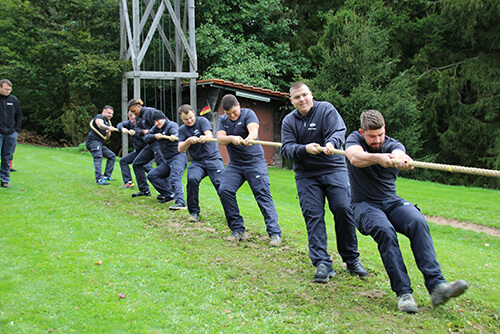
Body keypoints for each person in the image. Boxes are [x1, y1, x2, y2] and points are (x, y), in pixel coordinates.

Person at [345, 109, 468, 313]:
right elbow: (355, 158)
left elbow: (399, 153)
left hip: (392, 202)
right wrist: (379, 158)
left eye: (380, 135)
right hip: (364, 204)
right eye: (372, 136)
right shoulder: (354, 140)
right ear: (362, 132)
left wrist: (400, 159)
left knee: (418, 222)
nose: (377, 140)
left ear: (385, 131)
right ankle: (404, 293)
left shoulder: (393, 144)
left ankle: (437, 286)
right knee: (385, 231)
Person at [280, 82, 367, 283]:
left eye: (304, 95)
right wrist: (304, 149)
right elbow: (286, 149)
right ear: (291, 100)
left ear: (311, 94)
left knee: (343, 209)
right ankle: (322, 262)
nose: (301, 100)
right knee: (313, 214)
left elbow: (338, 131)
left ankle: (351, 259)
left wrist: (331, 143)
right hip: (306, 174)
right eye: (296, 97)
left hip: (333, 169)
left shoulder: (326, 110)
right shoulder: (288, 122)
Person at [216, 94, 282, 247]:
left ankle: (274, 233)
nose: (232, 116)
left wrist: (249, 138)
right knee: (225, 189)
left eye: (234, 112)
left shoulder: (248, 114)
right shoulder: (223, 120)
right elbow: (220, 138)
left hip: (254, 163)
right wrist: (232, 138)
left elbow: (254, 131)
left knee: (262, 194)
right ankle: (238, 229)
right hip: (236, 165)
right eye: (228, 114)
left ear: (238, 105)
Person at [178, 104, 224, 222]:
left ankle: (231, 214)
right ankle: (194, 212)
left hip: (213, 159)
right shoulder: (182, 130)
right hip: (197, 162)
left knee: (222, 186)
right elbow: (180, 149)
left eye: (190, 118)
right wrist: (188, 141)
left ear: (193, 113)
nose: (189, 121)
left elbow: (208, 134)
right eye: (185, 120)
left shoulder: (202, 121)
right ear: (181, 119)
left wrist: (204, 137)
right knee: (192, 179)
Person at [144, 110, 188, 210]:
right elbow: (146, 137)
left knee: (174, 178)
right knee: (152, 175)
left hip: (178, 157)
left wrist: (174, 136)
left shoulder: (171, 125)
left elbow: (176, 133)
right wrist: (154, 136)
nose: (156, 123)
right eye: (154, 122)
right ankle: (169, 195)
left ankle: (181, 202)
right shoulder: (157, 128)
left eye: (158, 121)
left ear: (163, 118)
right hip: (168, 160)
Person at [128, 99, 166, 198]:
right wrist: (144, 131)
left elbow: (163, 123)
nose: (133, 114)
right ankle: (144, 190)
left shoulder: (150, 112)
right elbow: (137, 130)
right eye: (131, 112)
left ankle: (167, 192)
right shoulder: (137, 117)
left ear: (139, 106)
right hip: (149, 144)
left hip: (159, 143)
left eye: (133, 111)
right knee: (137, 163)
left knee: (162, 166)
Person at [117, 111, 153, 189]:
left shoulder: (142, 124)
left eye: (134, 119)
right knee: (123, 161)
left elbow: (148, 137)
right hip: (138, 151)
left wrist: (136, 133)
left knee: (146, 167)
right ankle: (129, 182)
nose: (133, 122)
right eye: (131, 120)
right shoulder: (130, 123)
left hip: (147, 151)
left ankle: (162, 182)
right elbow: (120, 124)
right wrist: (122, 128)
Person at [85, 105, 118, 185]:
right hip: (93, 142)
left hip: (99, 142)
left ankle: (106, 176)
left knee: (112, 156)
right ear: (104, 112)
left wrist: (108, 133)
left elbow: (107, 137)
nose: (110, 115)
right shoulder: (99, 117)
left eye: (112, 114)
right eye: (109, 113)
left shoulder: (108, 122)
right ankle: (99, 179)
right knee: (98, 157)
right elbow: (100, 125)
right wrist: (108, 128)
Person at [0, 79, 22, 188]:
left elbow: (19, 116)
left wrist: (16, 130)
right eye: (6, 89)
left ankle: (5, 180)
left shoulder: (14, 100)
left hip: (10, 133)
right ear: (0, 87)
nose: (8, 91)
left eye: (10, 89)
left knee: (7, 157)